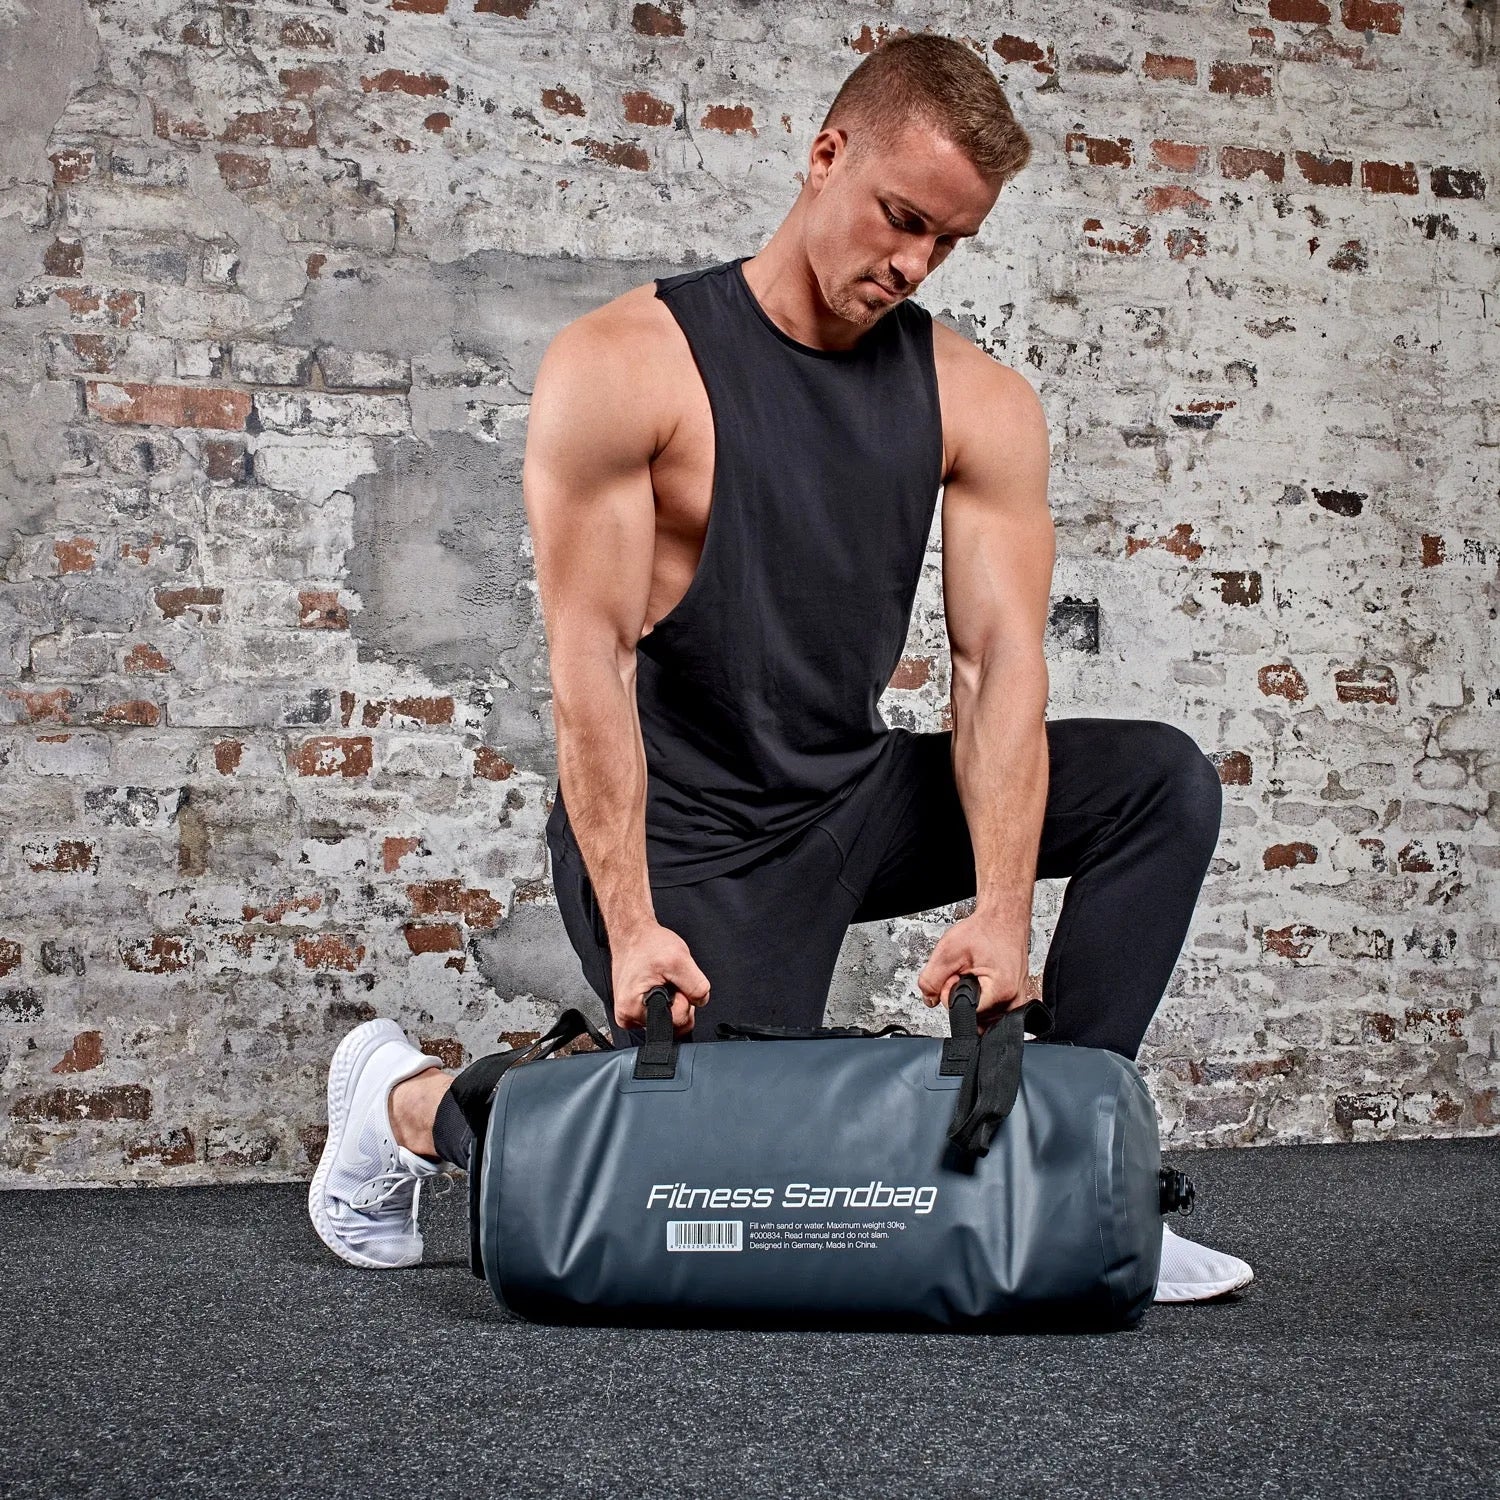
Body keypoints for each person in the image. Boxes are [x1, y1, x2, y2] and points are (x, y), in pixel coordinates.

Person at [308, 33, 1253, 1304]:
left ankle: (1081, 1176)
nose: (913, 264)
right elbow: (587, 665)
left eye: (948, 243)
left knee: (1162, 782)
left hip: (848, 796)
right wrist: (634, 924)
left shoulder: (980, 401)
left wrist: (1004, 905)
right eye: (902, 219)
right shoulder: (627, 365)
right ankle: (405, 1103)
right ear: (824, 156)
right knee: (731, 1178)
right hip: (689, 833)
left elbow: (994, 668)